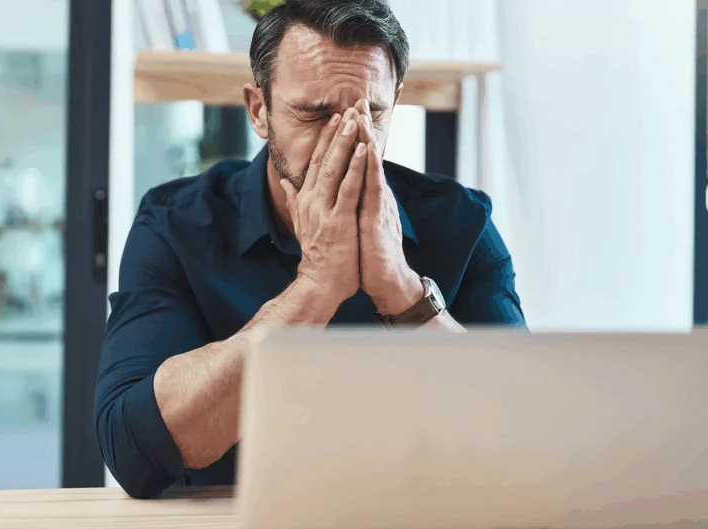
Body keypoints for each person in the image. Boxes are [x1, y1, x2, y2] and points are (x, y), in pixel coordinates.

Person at [95, 0, 526, 499]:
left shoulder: (463, 223)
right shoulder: (175, 225)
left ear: (395, 103)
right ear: (259, 110)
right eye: (315, 113)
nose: (345, 138)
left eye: (372, 112)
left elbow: (523, 430)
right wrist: (316, 287)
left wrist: (404, 292)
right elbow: (133, 452)